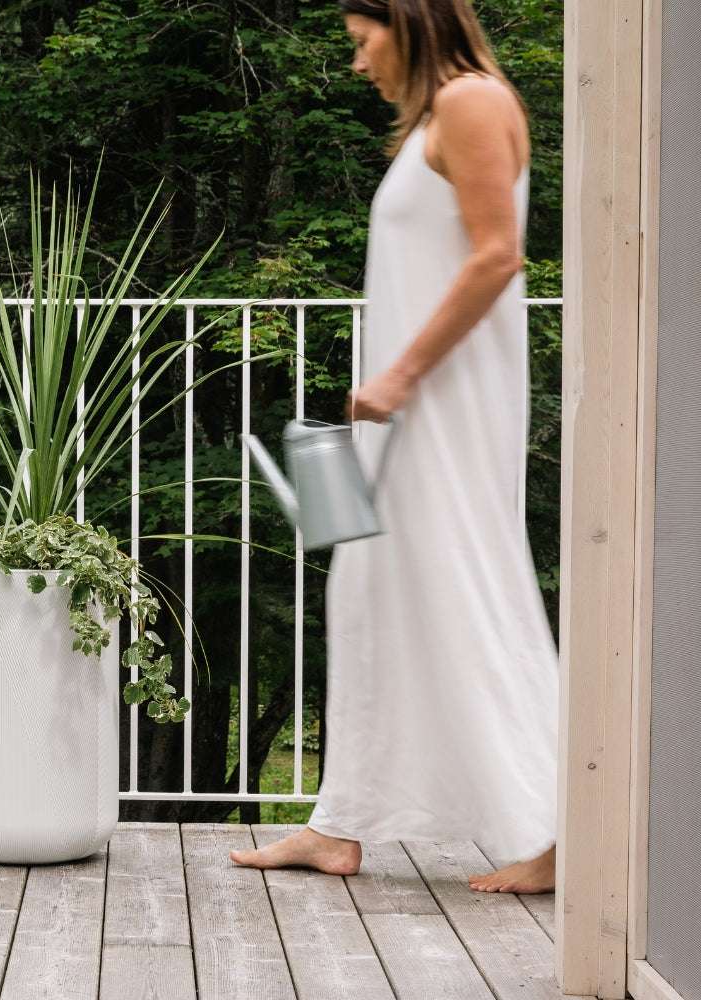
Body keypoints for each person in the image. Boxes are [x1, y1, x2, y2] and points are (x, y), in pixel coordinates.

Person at [229, 0, 559, 894]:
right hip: (410, 405)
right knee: (370, 588)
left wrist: (403, 375)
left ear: (407, 20)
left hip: (443, 400)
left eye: (361, 40)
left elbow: (498, 256)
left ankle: (558, 828)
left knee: (469, 586)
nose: (357, 62)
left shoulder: (472, 101)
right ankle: (340, 825)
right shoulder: (439, 117)